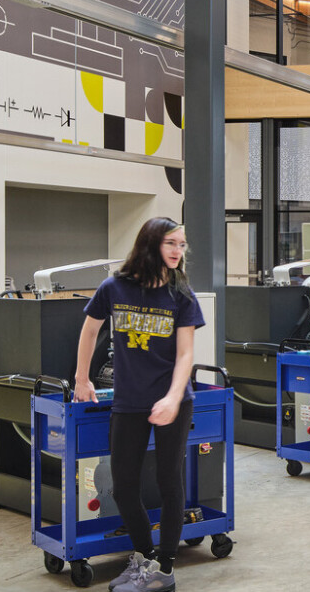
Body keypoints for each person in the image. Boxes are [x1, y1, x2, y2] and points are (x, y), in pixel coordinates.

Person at [75, 218, 205, 592]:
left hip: (173, 398)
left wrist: (173, 396)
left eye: (182, 244)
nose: (179, 251)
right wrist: (82, 378)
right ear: (150, 244)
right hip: (129, 400)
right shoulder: (114, 287)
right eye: (171, 243)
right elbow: (89, 328)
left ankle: (164, 569)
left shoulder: (181, 294)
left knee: (168, 481)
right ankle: (146, 558)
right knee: (124, 486)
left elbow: (185, 356)